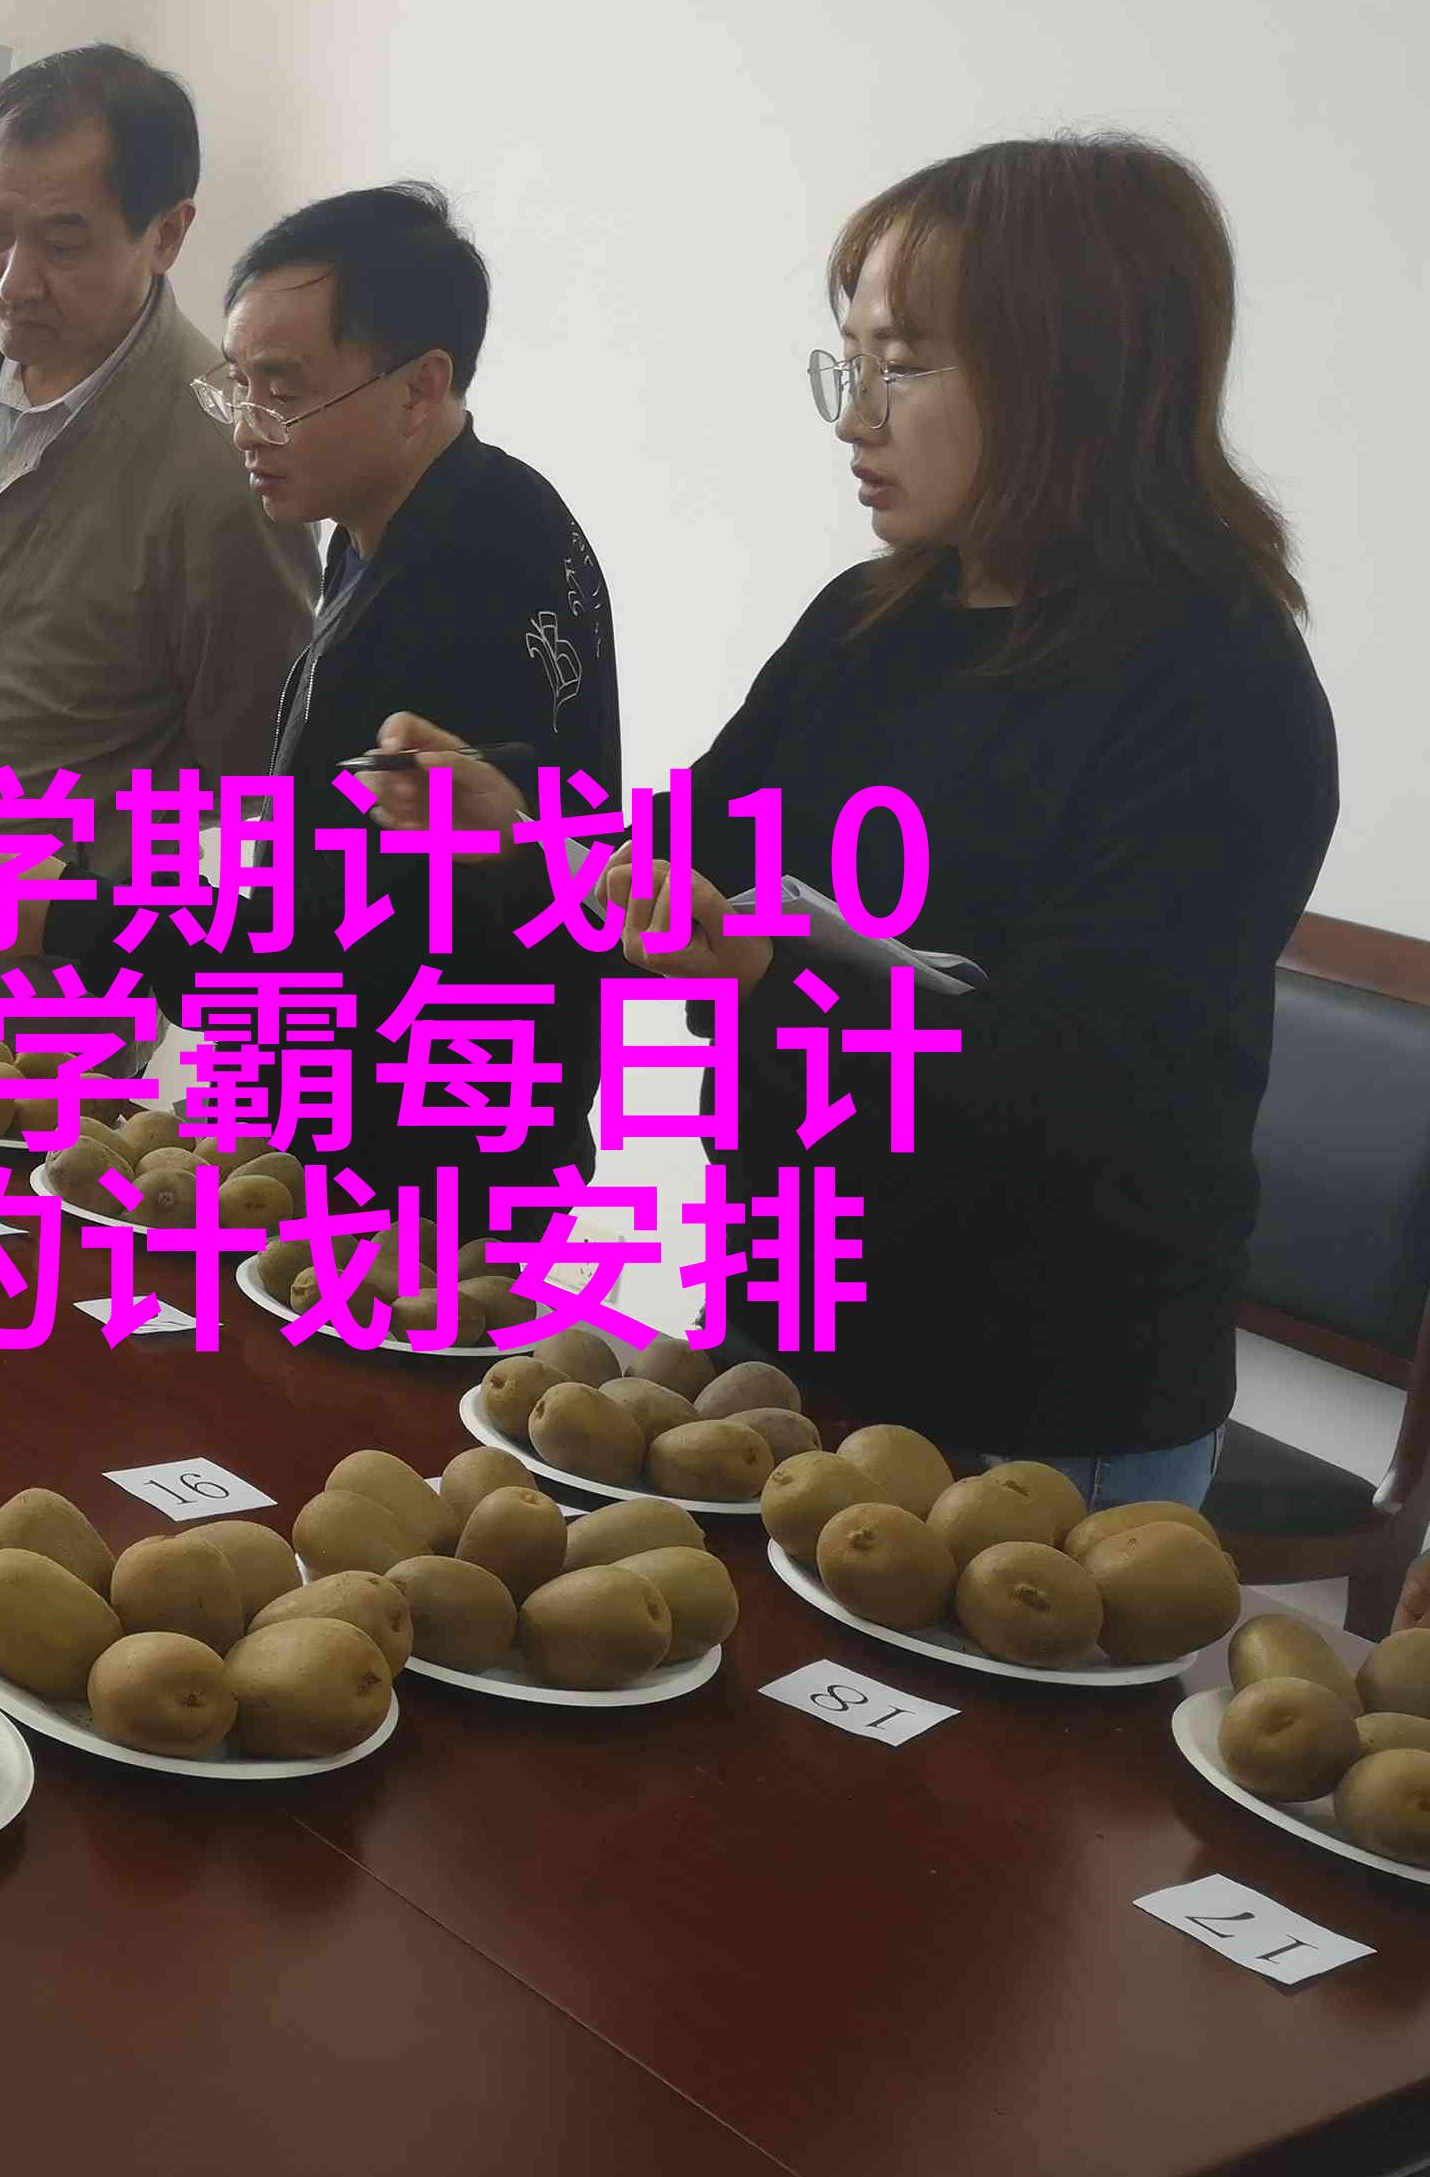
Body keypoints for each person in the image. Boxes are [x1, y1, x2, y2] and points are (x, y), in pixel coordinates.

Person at [374, 134, 1335, 1498]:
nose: (854, 418)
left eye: (903, 366)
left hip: (1042, 1402)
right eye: (849, 364)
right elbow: (687, 859)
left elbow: (1086, 1089)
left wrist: (772, 964)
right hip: (785, 1328)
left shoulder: (1220, 690)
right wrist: (517, 832)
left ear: (1075, 376)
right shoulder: (866, 626)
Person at [0, 44, 317, 1029]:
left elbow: (250, 784)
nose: (13, 279)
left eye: (64, 244)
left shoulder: (230, 465)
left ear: (168, 234)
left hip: (33, 1032)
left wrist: (86, 903)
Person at [215, 183, 619, 1239]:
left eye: (283, 390)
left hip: (425, 1167)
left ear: (420, 386)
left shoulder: (467, 579)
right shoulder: (422, 516)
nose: (249, 426)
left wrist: (86, 916)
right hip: (411, 1130)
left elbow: (341, 946)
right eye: (237, 385)